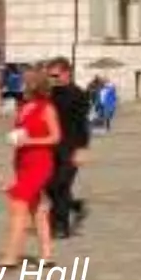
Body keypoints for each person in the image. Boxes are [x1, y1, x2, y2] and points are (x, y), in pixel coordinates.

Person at [0, 70, 61, 268]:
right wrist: (16, 140)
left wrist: (30, 140)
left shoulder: (47, 108)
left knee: (18, 207)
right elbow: (22, 133)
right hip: (23, 162)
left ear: (34, 86)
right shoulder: (23, 107)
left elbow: (55, 137)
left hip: (40, 162)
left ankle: (11, 256)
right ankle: (46, 255)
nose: (21, 87)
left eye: (25, 83)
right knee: (37, 210)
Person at [44, 58, 90, 241]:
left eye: (55, 75)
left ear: (66, 73)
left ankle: (60, 226)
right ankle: (74, 205)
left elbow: (83, 124)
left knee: (61, 185)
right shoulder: (49, 94)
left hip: (70, 148)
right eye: (50, 76)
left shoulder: (78, 94)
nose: (52, 79)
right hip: (50, 147)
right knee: (48, 186)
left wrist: (82, 149)